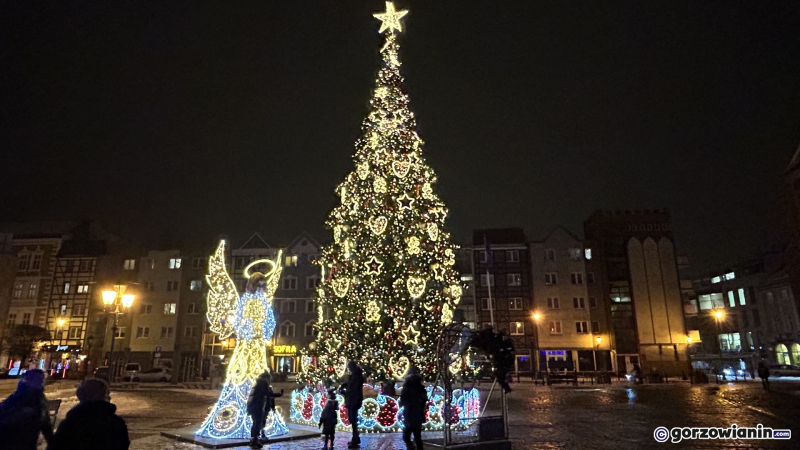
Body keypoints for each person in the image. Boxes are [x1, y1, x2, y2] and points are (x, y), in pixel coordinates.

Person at [47, 378, 129, 450]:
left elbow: (55, 446)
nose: (109, 397)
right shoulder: (116, 423)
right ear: (103, 396)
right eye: (107, 394)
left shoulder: (71, 424)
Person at [0, 369, 53, 449]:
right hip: (26, 442)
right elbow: (45, 424)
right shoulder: (38, 399)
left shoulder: (17, 395)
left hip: (6, 440)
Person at [246, 371, 284, 449]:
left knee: (256, 423)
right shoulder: (263, 384)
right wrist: (279, 394)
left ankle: (254, 440)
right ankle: (255, 440)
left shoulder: (259, 384)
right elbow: (268, 394)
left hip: (255, 406)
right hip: (258, 407)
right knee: (258, 423)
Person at [400, 369, 428, 450]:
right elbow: (424, 400)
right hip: (418, 414)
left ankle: (411, 448)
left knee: (406, 436)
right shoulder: (421, 388)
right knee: (417, 436)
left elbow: (403, 401)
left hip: (409, 413)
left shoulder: (406, 388)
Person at [341, 361, 363, 448]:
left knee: (353, 420)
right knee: (352, 420)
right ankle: (355, 437)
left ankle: (355, 439)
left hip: (354, 401)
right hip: (353, 400)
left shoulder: (357, 376)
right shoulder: (355, 375)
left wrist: (345, 392)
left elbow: (354, 389)